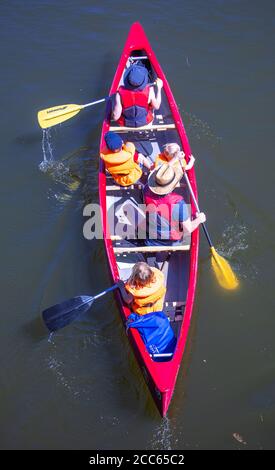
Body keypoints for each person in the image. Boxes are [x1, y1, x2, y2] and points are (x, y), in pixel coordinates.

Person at [143, 163, 206, 245]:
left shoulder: (146, 189)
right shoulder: (179, 203)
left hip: (151, 237)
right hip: (170, 241)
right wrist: (199, 220)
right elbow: (188, 229)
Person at [112, 64, 163, 128]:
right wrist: (159, 88)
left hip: (126, 125)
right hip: (146, 123)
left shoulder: (119, 94)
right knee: (151, 107)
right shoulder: (150, 90)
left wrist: (113, 100)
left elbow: (116, 117)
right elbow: (157, 106)